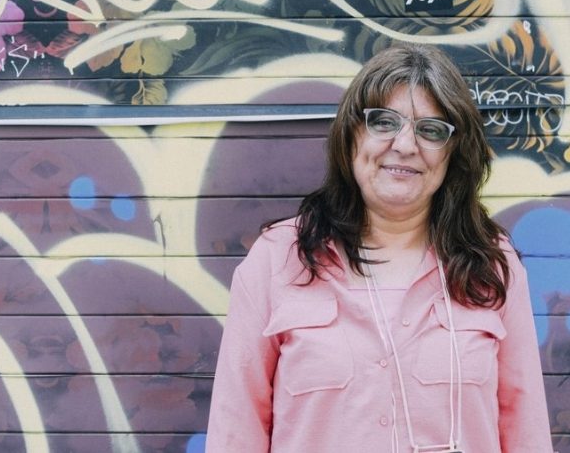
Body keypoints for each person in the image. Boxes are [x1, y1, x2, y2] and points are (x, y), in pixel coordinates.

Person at [205, 43, 553, 453]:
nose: (405, 145)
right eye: (384, 122)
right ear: (351, 134)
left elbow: (526, 431)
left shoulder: (491, 264)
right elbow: (235, 430)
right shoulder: (277, 260)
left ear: (453, 152)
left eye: (431, 130)